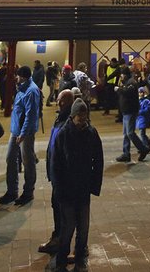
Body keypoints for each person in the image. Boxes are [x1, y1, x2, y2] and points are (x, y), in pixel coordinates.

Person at [49, 99, 103, 272]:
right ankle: (61, 260)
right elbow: (55, 163)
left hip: (83, 188)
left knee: (84, 226)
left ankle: (80, 258)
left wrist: (94, 185)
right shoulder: (63, 135)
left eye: (84, 116)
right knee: (68, 226)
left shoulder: (91, 133)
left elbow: (98, 160)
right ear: (72, 116)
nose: (82, 120)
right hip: (66, 190)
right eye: (79, 116)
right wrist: (59, 188)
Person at [39, 90, 75, 258]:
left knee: (63, 210)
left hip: (62, 177)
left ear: (63, 102)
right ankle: (59, 238)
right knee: (57, 208)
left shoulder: (68, 123)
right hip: (56, 173)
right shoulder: (60, 119)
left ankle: (62, 245)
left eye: (59, 100)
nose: (56, 102)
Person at [0, 65, 40, 206]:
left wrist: (23, 133)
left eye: (17, 75)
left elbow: (30, 114)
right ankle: (12, 191)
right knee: (10, 159)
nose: (15, 78)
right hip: (16, 130)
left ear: (22, 76)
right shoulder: (22, 89)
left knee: (28, 162)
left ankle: (28, 192)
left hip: (25, 133)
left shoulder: (31, 91)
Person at [115, 68, 150, 162]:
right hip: (126, 111)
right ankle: (126, 153)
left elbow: (127, 92)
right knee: (126, 134)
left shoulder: (131, 83)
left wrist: (119, 89)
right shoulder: (126, 82)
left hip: (130, 111)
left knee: (130, 133)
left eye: (122, 74)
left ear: (125, 74)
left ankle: (143, 149)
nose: (121, 76)